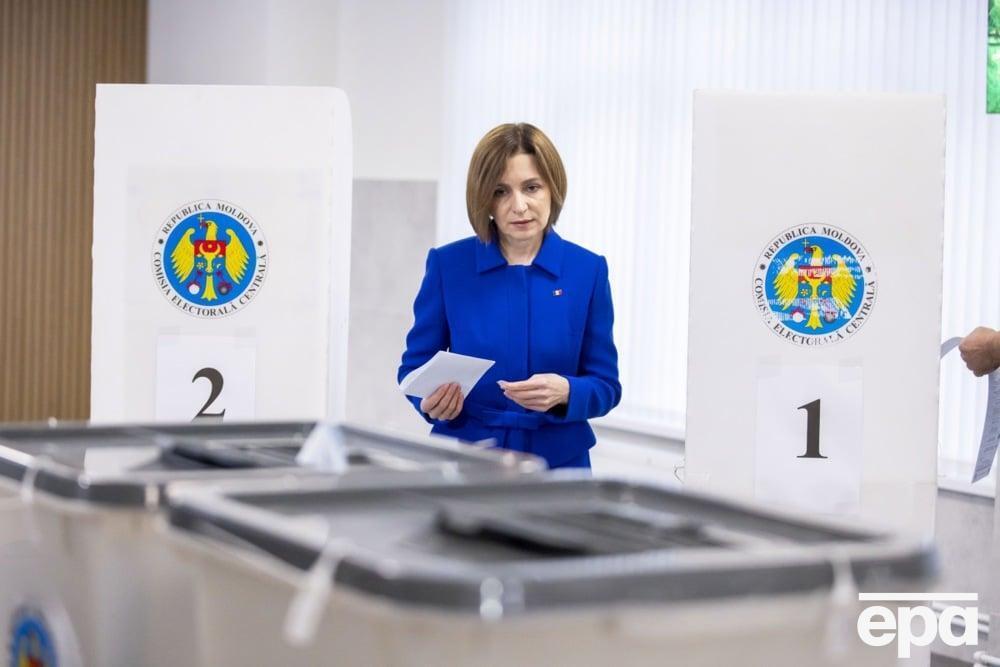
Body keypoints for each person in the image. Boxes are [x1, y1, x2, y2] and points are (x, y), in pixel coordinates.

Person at [397, 123, 621, 469]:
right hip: (468, 458)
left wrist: (568, 392)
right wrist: (429, 403)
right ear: (484, 198)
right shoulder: (448, 266)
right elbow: (414, 369)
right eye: (501, 191)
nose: (519, 206)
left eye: (532, 187)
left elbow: (606, 385)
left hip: (560, 463)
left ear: (553, 188)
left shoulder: (587, 270)